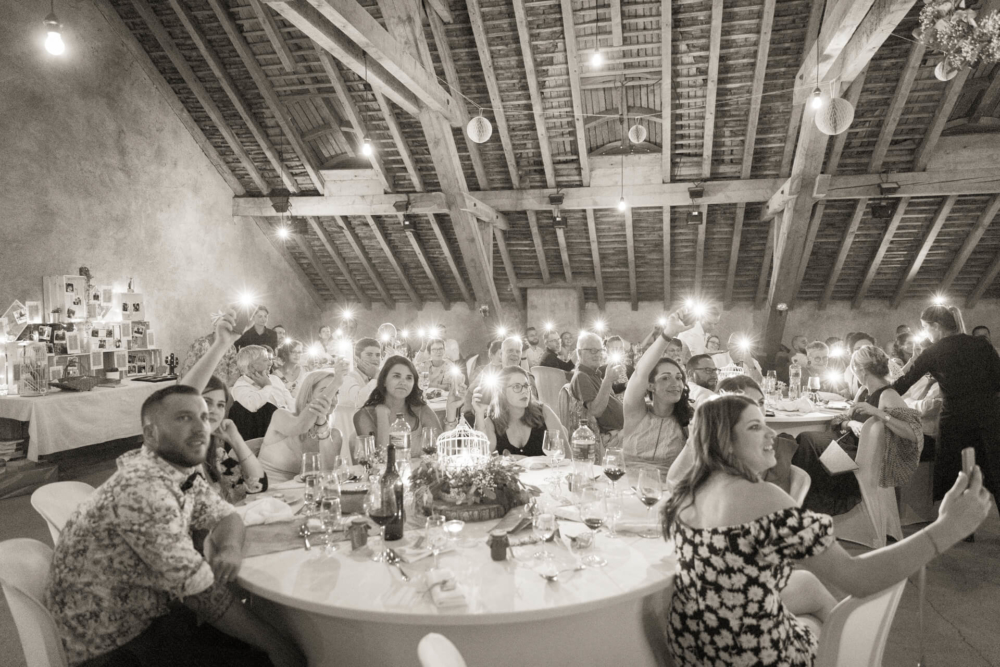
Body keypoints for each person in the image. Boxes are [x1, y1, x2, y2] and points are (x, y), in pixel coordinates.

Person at [45, 310, 304, 667]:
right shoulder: (143, 490)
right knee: (273, 651)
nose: (200, 425)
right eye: (184, 418)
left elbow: (226, 514)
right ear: (149, 434)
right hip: (114, 646)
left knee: (270, 633)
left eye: (203, 416)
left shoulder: (173, 471)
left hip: (153, 616)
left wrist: (228, 547)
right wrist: (278, 647)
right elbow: (202, 595)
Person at [659, 394, 990, 667]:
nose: (772, 435)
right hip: (743, 654)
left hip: (694, 642)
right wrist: (948, 527)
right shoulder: (762, 497)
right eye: (756, 427)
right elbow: (858, 578)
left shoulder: (688, 491)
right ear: (725, 442)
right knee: (817, 629)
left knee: (806, 581)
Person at [794, 346, 922, 515]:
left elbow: (914, 433)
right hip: (845, 445)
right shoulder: (863, 392)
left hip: (861, 461)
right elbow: (840, 420)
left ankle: (804, 505)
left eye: (853, 369)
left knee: (807, 440)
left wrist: (879, 413)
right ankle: (803, 505)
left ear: (861, 369)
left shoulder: (888, 395)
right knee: (800, 440)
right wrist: (851, 424)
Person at [894, 305, 1000, 501]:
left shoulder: (933, 352)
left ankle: (961, 530)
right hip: (989, 418)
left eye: (925, 327)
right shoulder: (981, 344)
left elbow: (905, 383)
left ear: (935, 326)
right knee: (996, 473)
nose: (925, 332)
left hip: (956, 423)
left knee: (957, 480)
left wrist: (877, 393)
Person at [622, 312, 692, 472]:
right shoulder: (636, 414)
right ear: (651, 386)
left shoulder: (687, 421)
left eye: (679, 377)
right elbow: (640, 373)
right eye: (665, 378)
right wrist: (668, 334)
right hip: (627, 487)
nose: (676, 384)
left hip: (668, 490)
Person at [354, 355, 464, 452]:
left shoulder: (421, 410)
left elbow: (444, 449)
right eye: (396, 376)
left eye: (409, 378)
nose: (403, 382)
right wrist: (382, 416)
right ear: (383, 381)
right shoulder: (364, 416)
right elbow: (379, 462)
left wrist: (451, 410)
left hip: (421, 474)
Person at [258, 365, 348, 482]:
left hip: (303, 495)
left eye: (336, 393)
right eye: (325, 391)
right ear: (309, 396)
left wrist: (321, 424)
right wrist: (336, 382)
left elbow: (328, 473)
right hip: (266, 494)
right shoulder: (281, 416)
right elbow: (300, 426)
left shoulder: (334, 435)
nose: (333, 399)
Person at [199, 375, 267, 504]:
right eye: (206, 402)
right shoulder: (179, 460)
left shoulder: (217, 456)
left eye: (220, 405)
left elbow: (259, 484)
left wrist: (235, 439)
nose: (214, 410)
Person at [472, 366, 567, 456]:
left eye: (526, 386)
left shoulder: (543, 412)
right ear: (502, 392)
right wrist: (479, 414)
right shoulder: (492, 421)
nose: (524, 391)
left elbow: (566, 454)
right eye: (517, 387)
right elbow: (482, 456)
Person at [229, 346, 295, 440]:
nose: (270, 363)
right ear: (252, 366)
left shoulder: (275, 379)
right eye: (265, 360)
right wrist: (267, 386)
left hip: (287, 429)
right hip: (264, 438)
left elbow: (290, 401)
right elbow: (252, 405)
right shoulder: (240, 387)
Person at [572, 331, 626, 437]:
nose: (597, 355)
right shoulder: (581, 376)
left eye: (600, 350)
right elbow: (595, 411)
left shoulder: (595, 373)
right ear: (579, 353)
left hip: (625, 428)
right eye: (592, 351)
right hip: (614, 435)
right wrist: (608, 380)